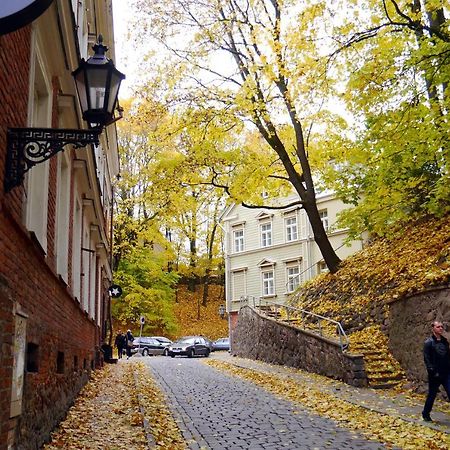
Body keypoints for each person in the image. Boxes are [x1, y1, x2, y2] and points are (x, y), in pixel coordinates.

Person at [422, 320, 450, 422]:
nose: (441, 328)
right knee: (432, 395)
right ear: (433, 328)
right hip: (435, 374)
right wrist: (433, 371)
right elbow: (427, 359)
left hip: (446, 372)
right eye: (438, 327)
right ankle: (425, 413)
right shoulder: (428, 343)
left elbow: (447, 356)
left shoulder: (445, 341)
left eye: (442, 327)